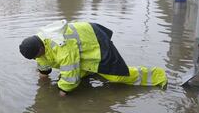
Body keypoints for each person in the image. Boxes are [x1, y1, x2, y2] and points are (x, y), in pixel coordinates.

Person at [19, 20, 168, 96]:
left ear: (41, 48)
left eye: (37, 55)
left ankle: (157, 75)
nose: (37, 58)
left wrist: (62, 93)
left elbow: (69, 73)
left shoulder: (61, 46)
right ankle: (87, 72)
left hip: (95, 41)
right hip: (80, 44)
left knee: (117, 76)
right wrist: (42, 81)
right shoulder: (38, 45)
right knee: (77, 72)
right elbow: (43, 65)